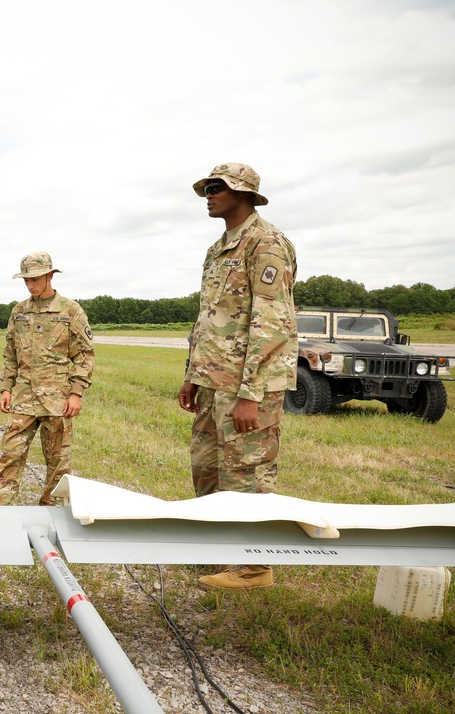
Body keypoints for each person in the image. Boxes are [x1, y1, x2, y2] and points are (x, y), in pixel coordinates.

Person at [177, 163, 298, 591]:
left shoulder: (266, 243)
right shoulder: (218, 248)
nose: (208, 195)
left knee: (247, 472)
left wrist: (252, 393)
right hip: (214, 382)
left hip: (248, 386)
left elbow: (273, 322)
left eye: (216, 188)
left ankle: (254, 568)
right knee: (207, 469)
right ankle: (217, 549)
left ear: (242, 193)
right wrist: (193, 375)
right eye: (207, 188)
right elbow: (209, 317)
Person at [0, 252, 95, 506]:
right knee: (10, 456)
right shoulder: (19, 312)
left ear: (50, 275)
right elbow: (10, 354)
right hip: (23, 400)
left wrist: (76, 393)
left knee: (58, 463)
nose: (30, 285)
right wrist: (5, 388)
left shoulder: (70, 311)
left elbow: (84, 354)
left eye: (35, 279)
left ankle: (52, 513)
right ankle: (1, 512)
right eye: (26, 280)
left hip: (57, 402)